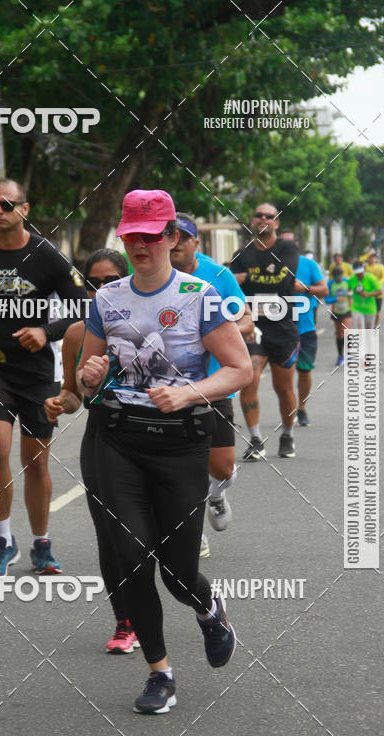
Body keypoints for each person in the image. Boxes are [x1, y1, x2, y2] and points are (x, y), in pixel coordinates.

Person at [78, 189, 251, 714]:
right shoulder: (106, 300)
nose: (141, 246)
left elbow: (239, 369)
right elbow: (87, 380)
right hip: (116, 438)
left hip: (179, 443)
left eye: (152, 237)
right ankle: (160, 672)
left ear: (173, 237)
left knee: (177, 573)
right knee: (130, 557)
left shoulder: (200, 295)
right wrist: (90, 378)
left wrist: (188, 392)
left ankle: (209, 609)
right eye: (132, 237)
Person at [0, 179, 90, 578]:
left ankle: (41, 544)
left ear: (24, 209)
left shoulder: (45, 255)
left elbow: (82, 307)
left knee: (36, 461)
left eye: (8, 205)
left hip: (38, 372)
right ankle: (1, 539)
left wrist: (47, 332)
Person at [44, 248, 140, 654]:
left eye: (109, 281)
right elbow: (72, 395)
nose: (101, 289)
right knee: (112, 536)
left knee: (153, 540)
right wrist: (58, 403)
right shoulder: (77, 334)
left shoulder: (151, 323)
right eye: (93, 283)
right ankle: (125, 620)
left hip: (156, 437)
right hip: (103, 439)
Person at [169, 212, 254, 556]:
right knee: (180, 466)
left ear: (195, 242)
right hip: (167, 386)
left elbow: (245, 319)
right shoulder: (149, 276)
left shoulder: (217, 275)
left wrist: (221, 332)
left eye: (181, 237)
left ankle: (215, 495)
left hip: (214, 383)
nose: (173, 243)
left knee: (222, 468)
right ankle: (191, 530)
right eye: (168, 236)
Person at [229, 202, 299, 459]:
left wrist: (247, 278)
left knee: (284, 388)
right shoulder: (241, 254)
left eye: (269, 216)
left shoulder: (287, 248)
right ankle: (256, 439)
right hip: (251, 328)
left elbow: (285, 280)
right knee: (249, 380)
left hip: (283, 328)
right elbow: (232, 288)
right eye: (258, 215)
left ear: (276, 223)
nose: (263, 219)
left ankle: (288, 434)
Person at [279, 231, 327, 427]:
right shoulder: (272, 266)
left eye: (290, 243)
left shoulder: (308, 265)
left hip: (305, 328)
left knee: (304, 371)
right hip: (280, 328)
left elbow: (324, 290)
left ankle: (302, 407)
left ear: (296, 245)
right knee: (283, 372)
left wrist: (305, 289)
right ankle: (289, 409)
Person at [326, 265, 351, 365]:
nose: (338, 279)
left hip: (347, 310)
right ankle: (340, 356)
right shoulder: (330, 284)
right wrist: (335, 299)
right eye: (336, 277)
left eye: (340, 276)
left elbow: (352, 294)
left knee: (347, 332)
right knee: (339, 334)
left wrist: (351, 298)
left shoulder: (347, 282)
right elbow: (327, 300)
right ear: (333, 277)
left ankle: (349, 355)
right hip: (336, 311)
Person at [348, 261, 381, 330]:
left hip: (370, 308)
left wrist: (368, 294)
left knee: (368, 332)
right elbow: (349, 290)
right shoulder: (351, 279)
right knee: (360, 331)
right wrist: (349, 297)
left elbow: (380, 291)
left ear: (363, 270)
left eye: (360, 273)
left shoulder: (371, 278)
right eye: (357, 273)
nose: (359, 275)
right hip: (356, 308)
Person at [364, 252, 384, 327]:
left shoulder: (380, 267)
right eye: (370, 257)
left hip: (378, 293)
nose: (372, 259)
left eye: (373, 258)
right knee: (367, 311)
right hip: (367, 293)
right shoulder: (365, 267)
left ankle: (375, 325)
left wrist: (378, 283)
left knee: (377, 312)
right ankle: (367, 326)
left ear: (376, 259)